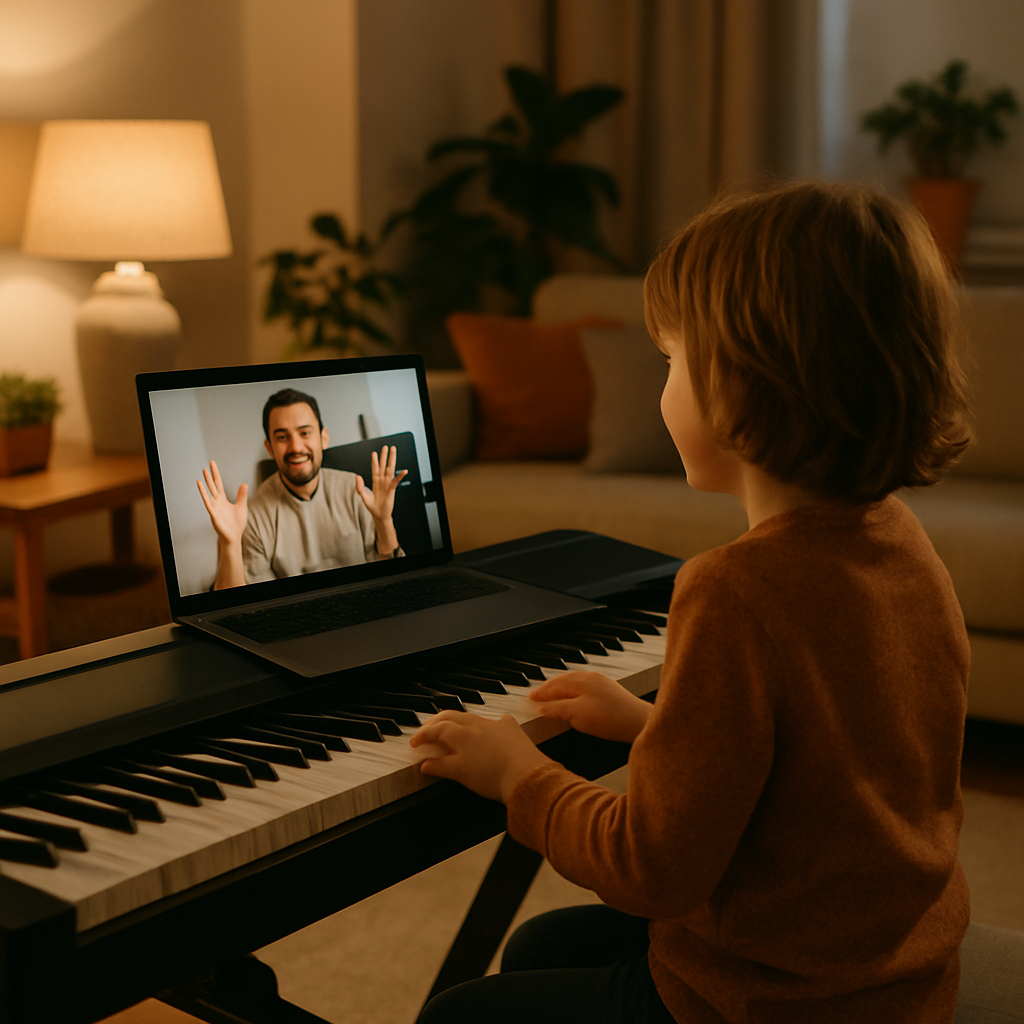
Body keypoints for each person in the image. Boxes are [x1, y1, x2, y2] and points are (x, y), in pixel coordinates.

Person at [410, 181, 973, 1024]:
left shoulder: (734, 588)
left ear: (744, 383)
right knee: (540, 949)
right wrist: (654, 728)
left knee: (461, 1013)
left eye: (671, 361)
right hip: (888, 971)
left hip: (776, 999)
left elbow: (652, 869)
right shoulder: (901, 543)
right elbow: (834, 772)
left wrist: (519, 775)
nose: (661, 385)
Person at [197, 388, 407, 589]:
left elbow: (395, 581)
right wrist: (230, 543)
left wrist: (383, 521)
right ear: (270, 447)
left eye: (305, 433)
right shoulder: (254, 518)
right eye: (282, 437)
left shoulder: (356, 490)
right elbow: (241, 608)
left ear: (323, 438)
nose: (296, 447)